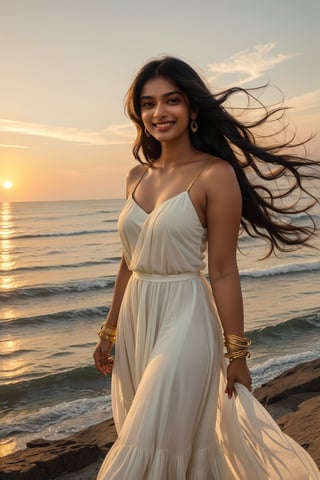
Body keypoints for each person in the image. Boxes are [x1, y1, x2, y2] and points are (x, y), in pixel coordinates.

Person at [93, 56, 320, 479]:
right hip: (138, 320)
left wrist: (237, 354)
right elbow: (130, 259)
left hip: (187, 319)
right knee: (176, 443)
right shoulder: (135, 176)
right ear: (138, 113)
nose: (158, 113)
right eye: (147, 103)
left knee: (147, 441)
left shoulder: (216, 175)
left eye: (171, 100)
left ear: (193, 108)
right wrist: (109, 331)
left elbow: (223, 271)